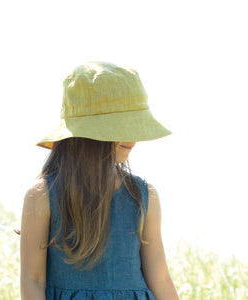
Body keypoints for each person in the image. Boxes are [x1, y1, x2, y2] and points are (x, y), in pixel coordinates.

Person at [20, 62, 179, 300]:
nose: (134, 137)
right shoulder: (42, 196)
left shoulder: (143, 196)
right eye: (124, 125)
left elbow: (161, 279)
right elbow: (32, 280)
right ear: (90, 132)